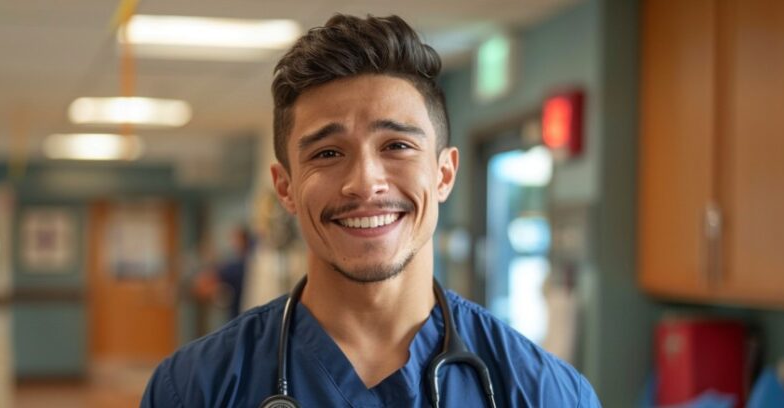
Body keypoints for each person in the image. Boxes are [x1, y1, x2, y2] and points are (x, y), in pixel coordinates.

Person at [141, 14, 600, 407]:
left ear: (443, 174)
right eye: (326, 153)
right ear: (285, 187)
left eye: (397, 145)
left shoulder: (543, 392)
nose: (364, 182)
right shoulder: (195, 388)